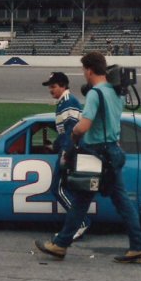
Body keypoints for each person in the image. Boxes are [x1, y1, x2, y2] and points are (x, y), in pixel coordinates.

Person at [35, 52, 141, 263]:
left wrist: (75, 135)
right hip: (113, 151)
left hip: (96, 153)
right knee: (121, 202)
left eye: (83, 70)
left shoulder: (96, 93)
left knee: (82, 201)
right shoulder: (117, 93)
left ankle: (60, 245)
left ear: (88, 70)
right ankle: (138, 246)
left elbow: (83, 126)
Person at [42, 72, 91, 241]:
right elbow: (64, 133)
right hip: (68, 149)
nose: (50, 90)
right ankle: (79, 222)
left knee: (57, 188)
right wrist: (54, 145)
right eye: (49, 87)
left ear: (63, 85)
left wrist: (65, 153)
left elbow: (72, 130)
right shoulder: (63, 102)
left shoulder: (69, 102)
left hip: (71, 152)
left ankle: (81, 222)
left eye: (53, 86)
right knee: (65, 189)